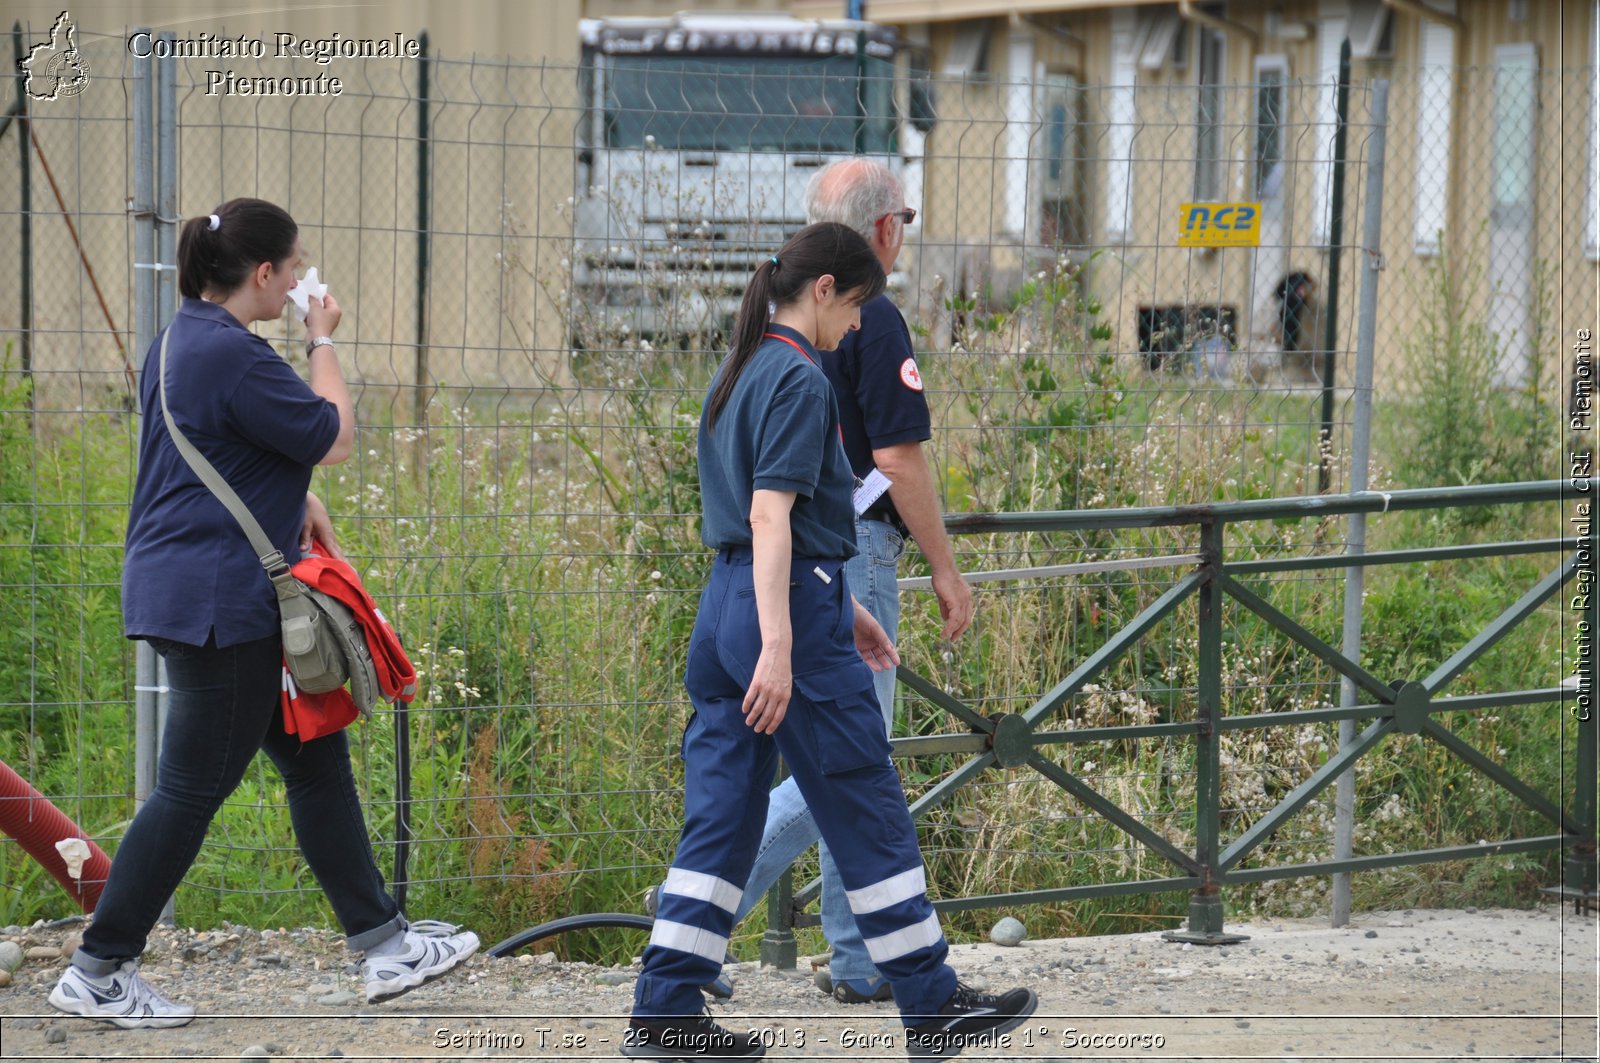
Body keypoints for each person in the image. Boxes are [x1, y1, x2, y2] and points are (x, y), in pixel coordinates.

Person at [48, 198, 477, 1030]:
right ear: (266, 273)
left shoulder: (179, 340)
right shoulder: (239, 355)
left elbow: (210, 450)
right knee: (188, 790)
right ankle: (98, 969)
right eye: (295, 265)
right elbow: (334, 432)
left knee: (314, 755)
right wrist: (323, 338)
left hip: (191, 585)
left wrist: (296, 499)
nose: (297, 282)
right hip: (223, 604)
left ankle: (383, 943)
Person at [622, 221, 1035, 1061]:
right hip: (786, 615)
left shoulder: (733, 371)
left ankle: (664, 1007)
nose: (855, 328)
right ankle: (932, 1001)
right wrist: (787, 641)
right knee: (865, 798)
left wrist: (842, 607)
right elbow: (774, 513)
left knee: (723, 813)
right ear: (822, 291)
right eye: (854, 307)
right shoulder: (801, 381)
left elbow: (766, 523)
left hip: (728, 605)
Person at [727, 158, 974, 1005]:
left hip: (773, 563)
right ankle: (704, 898)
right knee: (854, 756)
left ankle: (861, 956)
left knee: (835, 754)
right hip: (852, 551)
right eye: (902, 217)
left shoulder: (771, 327)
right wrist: (944, 566)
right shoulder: (876, 318)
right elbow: (898, 457)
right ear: (881, 231)